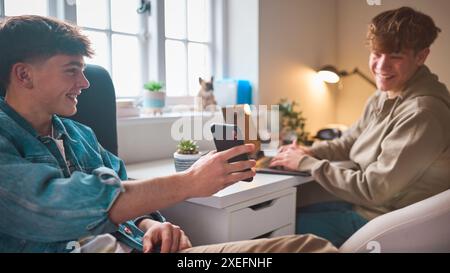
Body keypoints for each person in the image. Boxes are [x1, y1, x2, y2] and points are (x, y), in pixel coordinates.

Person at [0, 15, 338, 253]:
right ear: (24, 75)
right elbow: (55, 207)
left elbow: (124, 192)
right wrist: (190, 182)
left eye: (84, 72)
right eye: (72, 71)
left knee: (307, 247)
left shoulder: (79, 135)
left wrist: (152, 226)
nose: (85, 84)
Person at [271, 6, 450, 247]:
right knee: (286, 210)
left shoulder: (422, 112)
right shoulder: (386, 94)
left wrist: (307, 164)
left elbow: (373, 189)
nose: (381, 66)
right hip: (373, 208)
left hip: (387, 222)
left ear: (421, 56)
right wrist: (310, 152)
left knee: (275, 226)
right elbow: (350, 140)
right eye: (377, 54)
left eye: (396, 56)